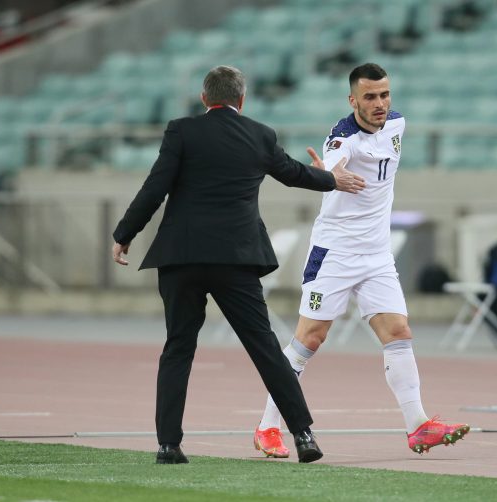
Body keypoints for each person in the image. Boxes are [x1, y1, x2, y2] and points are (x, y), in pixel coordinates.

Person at [111, 65, 366, 464]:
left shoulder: (181, 131)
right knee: (264, 347)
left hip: (182, 256)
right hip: (236, 257)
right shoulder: (260, 134)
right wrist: (329, 179)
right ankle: (303, 435)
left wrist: (125, 232)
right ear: (242, 100)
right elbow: (292, 174)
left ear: (204, 98)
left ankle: (168, 446)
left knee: (178, 347)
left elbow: (154, 187)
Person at [253, 63, 470, 459]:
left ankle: (418, 425)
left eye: (384, 94)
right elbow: (333, 163)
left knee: (398, 331)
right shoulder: (342, 138)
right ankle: (267, 426)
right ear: (353, 100)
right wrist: (324, 175)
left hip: (377, 255)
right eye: (370, 97)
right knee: (309, 340)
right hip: (334, 254)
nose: (379, 103)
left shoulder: (397, 124)